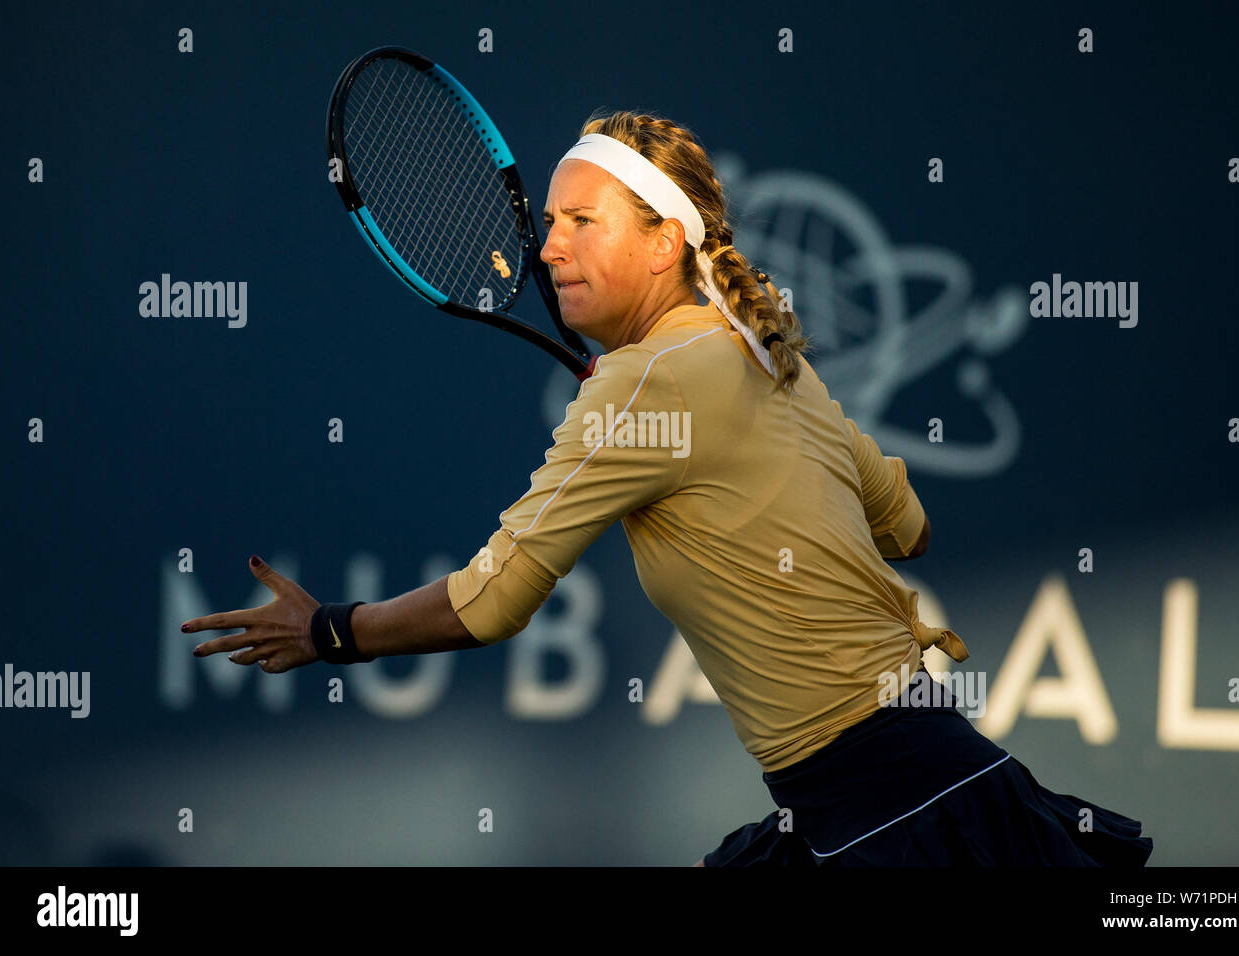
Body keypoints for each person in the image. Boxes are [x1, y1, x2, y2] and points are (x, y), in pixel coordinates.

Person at [183, 110, 1153, 867]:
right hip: (929, 777)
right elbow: (909, 524)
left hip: (888, 819)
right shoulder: (766, 357)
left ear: (661, 244)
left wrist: (329, 631)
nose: (547, 246)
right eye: (547, 222)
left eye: (581, 222)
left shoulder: (645, 392)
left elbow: (490, 602)